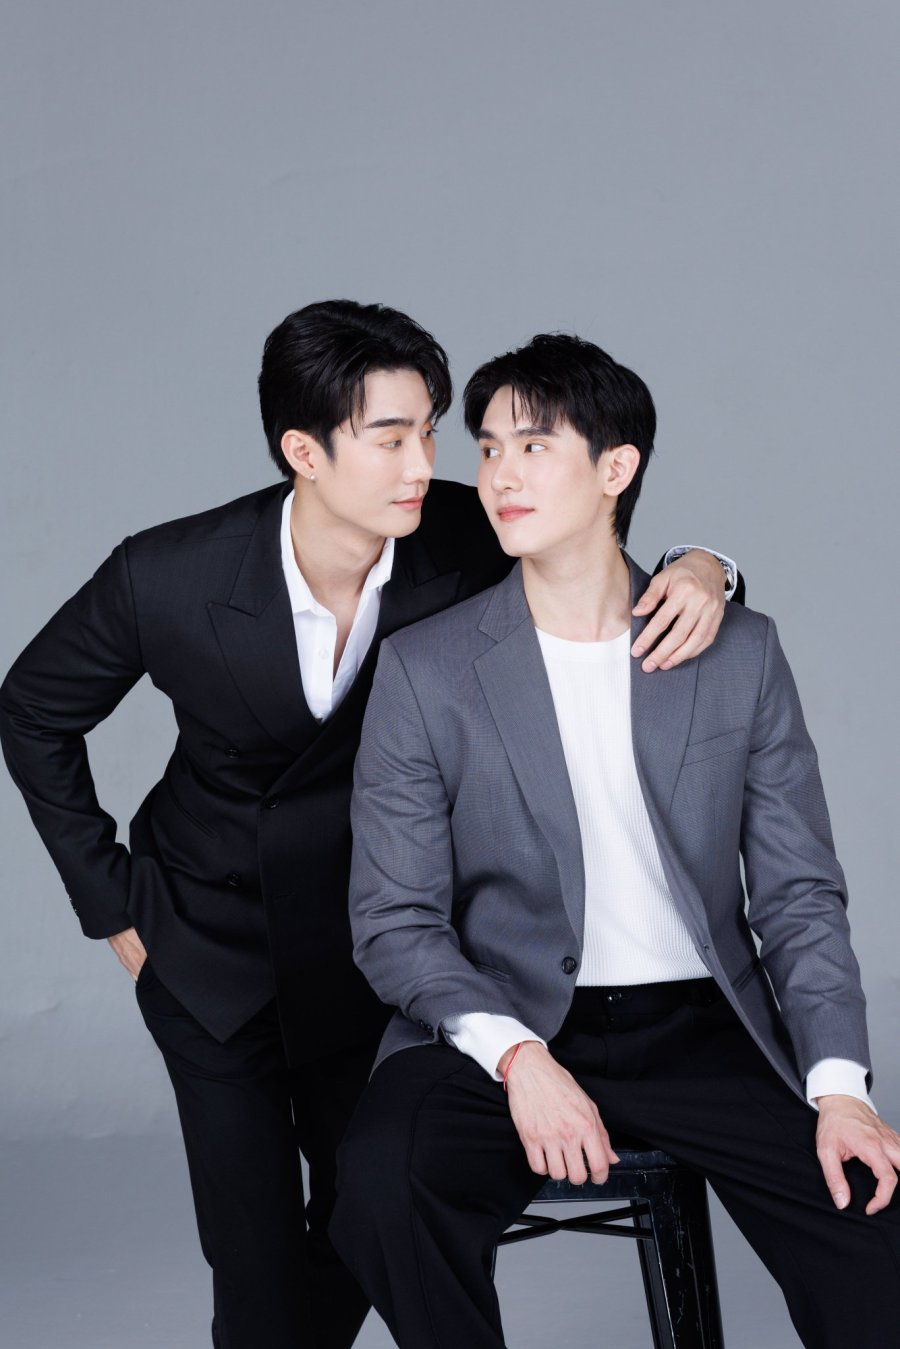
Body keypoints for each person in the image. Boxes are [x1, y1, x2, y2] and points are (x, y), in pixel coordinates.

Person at [0, 304, 736, 1349]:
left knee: (369, 1211)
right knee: (253, 1256)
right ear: (304, 452)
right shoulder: (167, 573)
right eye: (390, 438)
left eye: (428, 430)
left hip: (380, 948)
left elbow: (601, 550)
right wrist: (109, 898)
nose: (424, 464)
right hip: (214, 942)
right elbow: (30, 709)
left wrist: (708, 563)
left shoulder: (463, 532)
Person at [332, 332, 900, 1349]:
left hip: (704, 1029)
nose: (499, 474)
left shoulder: (737, 651)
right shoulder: (427, 670)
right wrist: (518, 1057)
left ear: (616, 468)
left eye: (533, 446)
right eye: (488, 447)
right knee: (383, 1182)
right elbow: (393, 917)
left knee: (877, 1228)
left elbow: (799, 895)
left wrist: (840, 1089)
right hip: (501, 1021)